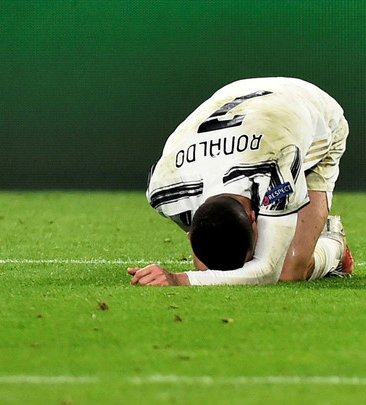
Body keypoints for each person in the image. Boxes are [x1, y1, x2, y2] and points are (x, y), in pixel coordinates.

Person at [129, 77, 353, 286]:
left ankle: (333, 244)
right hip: (239, 101)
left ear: (254, 216)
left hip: (311, 110)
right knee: (212, 262)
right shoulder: (165, 187)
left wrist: (179, 279)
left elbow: (268, 271)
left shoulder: (278, 167)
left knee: (290, 271)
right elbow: (204, 237)